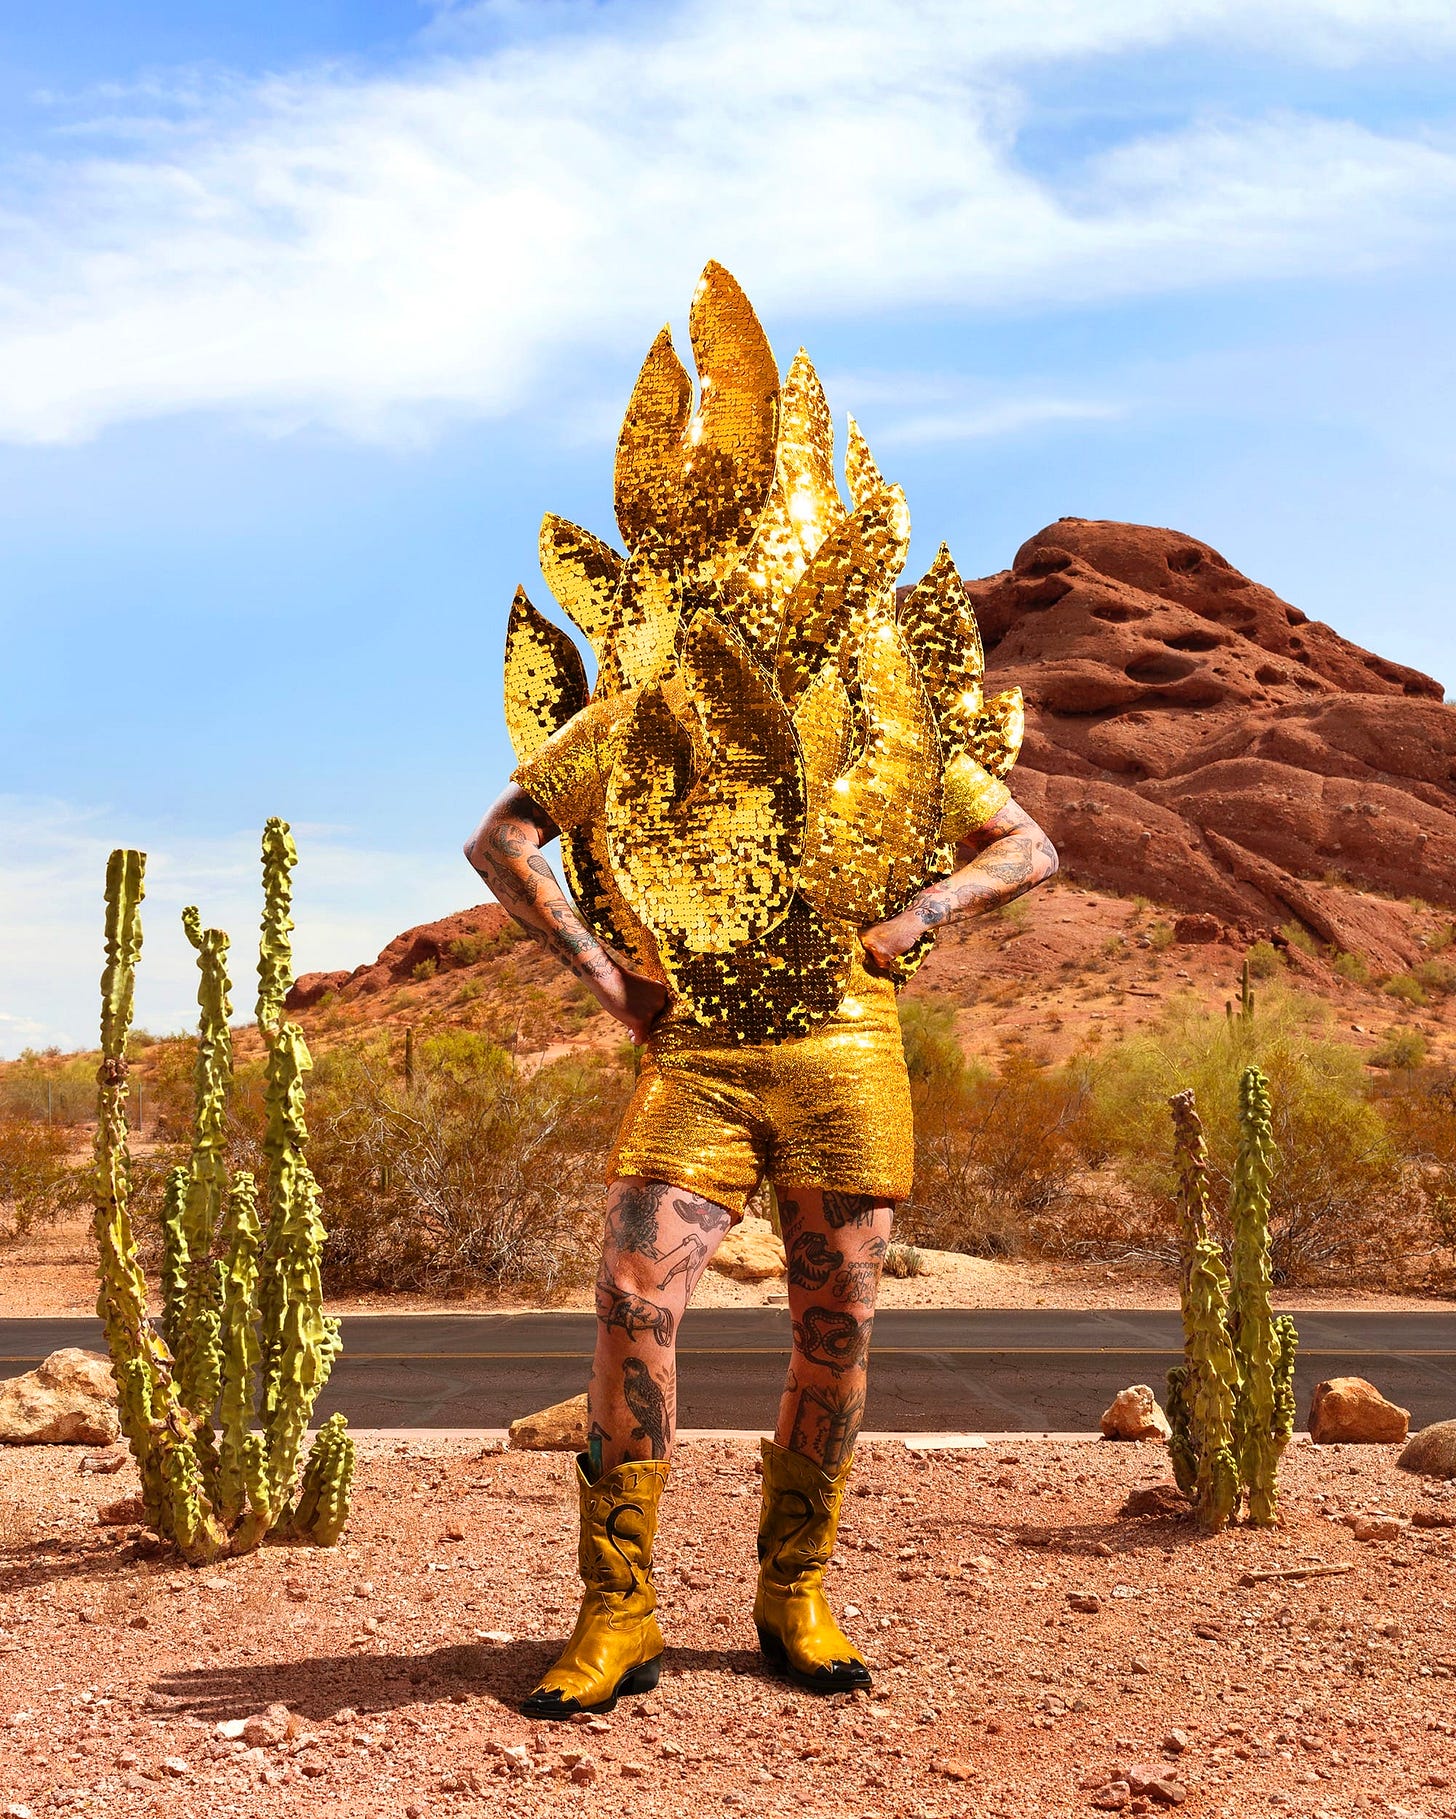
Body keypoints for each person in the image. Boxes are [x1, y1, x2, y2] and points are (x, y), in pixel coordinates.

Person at [462, 262, 1057, 1718]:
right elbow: (505, 838)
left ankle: (795, 1585)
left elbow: (1030, 841)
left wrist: (926, 905)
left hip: (850, 1050)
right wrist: (611, 982)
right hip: (704, 1047)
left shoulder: (889, 723)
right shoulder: (638, 707)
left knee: (837, 1314)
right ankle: (620, 1611)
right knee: (628, 1298)